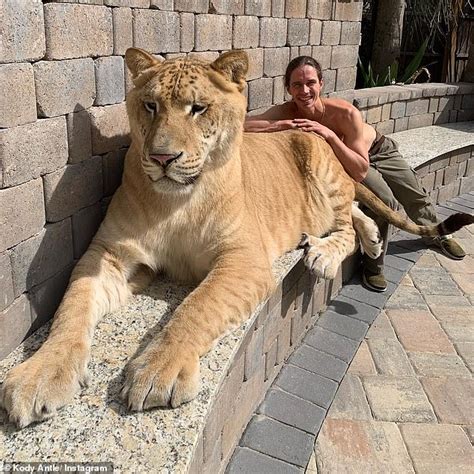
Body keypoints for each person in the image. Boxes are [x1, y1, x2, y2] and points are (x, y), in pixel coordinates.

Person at [244, 56, 466, 292]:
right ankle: (373, 266)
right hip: (340, 164)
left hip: (374, 151)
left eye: (310, 83)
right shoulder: (285, 112)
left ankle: (438, 234)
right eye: (297, 85)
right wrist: (281, 125)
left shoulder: (344, 113)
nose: (304, 90)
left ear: (321, 83)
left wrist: (328, 135)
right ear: (288, 88)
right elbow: (243, 124)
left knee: (411, 191)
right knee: (385, 200)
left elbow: (360, 169)